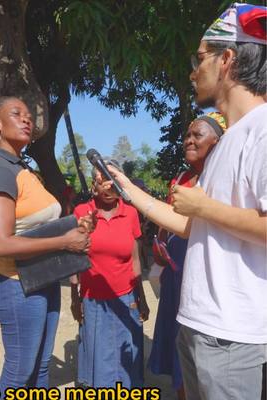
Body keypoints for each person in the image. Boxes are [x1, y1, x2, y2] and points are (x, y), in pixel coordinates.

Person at [106, 3, 267, 399]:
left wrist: (203, 206)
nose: (193, 71)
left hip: (234, 336)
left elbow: (205, 214)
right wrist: (126, 185)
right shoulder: (230, 139)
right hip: (199, 325)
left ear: (227, 59)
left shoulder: (262, 130)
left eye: (200, 59)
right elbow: (194, 225)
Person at [0, 97, 92, 395]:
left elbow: (34, 226)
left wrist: (75, 226)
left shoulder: (23, 167)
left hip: (42, 277)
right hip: (16, 285)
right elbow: (0, 243)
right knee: (19, 371)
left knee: (40, 367)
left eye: (28, 115)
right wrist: (65, 241)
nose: (27, 119)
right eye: (17, 114)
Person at [148, 112, 226, 400]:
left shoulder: (220, 180)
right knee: (177, 337)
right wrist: (159, 243)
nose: (189, 140)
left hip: (203, 267)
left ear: (218, 142)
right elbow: (167, 219)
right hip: (175, 269)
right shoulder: (181, 178)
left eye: (198, 135)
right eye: (188, 135)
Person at [70, 159, 149, 389]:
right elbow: (74, 260)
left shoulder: (131, 213)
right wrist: (75, 298)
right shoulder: (82, 212)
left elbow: (134, 259)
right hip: (93, 302)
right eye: (100, 179)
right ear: (94, 184)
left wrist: (141, 298)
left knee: (127, 365)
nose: (106, 187)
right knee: (102, 365)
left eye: (111, 179)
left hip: (126, 300)